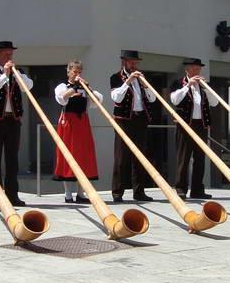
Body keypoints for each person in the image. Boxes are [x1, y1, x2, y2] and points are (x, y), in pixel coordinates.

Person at [0, 41, 33, 207]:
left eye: (11, 53)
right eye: (5, 53)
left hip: (13, 120)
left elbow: (28, 87)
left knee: (12, 159)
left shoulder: (18, 72)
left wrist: (17, 73)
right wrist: (4, 75)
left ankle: (13, 195)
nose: (9, 56)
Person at [53, 60, 103, 203]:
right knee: (68, 156)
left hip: (82, 124)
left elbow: (97, 101)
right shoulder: (62, 86)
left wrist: (88, 89)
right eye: (75, 71)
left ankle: (81, 194)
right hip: (68, 124)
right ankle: (68, 194)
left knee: (84, 156)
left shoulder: (84, 87)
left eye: (79, 72)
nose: (77, 74)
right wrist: (74, 87)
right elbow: (62, 98)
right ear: (68, 72)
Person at [110, 50, 156, 202]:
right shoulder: (116, 77)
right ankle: (117, 192)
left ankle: (139, 192)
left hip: (140, 119)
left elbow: (153, 98)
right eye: (131, 62)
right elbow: (116, 97)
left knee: (140, 157)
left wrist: (145, 85)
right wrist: (128, 81)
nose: (134, 65)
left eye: (136, 62)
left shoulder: (142, 78)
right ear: (124, 62)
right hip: (124, 120)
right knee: (121, 158)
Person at [170, 58, 219, 200]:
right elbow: (174, 100)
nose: (197, 71)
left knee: (200, 159)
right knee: (183, 158)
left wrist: (206, 89)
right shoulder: (178, 83)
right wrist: (187, 86)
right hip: (185, 125)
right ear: (187, 69)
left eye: (198, 69)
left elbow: (215, 103)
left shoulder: (204, 85)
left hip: (201, 125)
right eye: (194, 69)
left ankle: (197, 189)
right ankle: (180, 188)